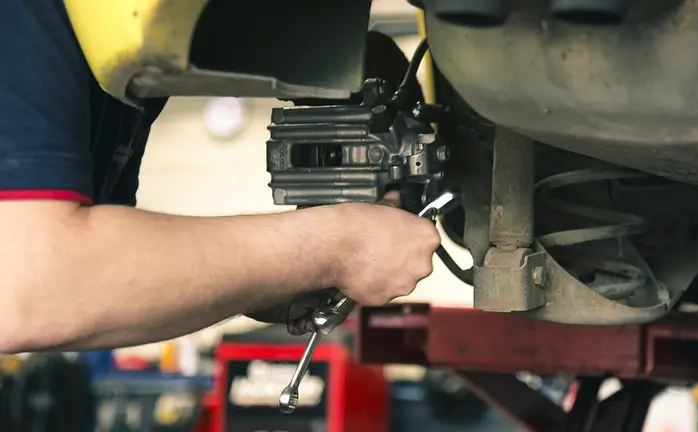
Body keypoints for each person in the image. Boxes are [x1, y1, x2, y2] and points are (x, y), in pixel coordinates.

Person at [0, 0, 441, 353]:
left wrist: (258, 281)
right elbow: (31, 290)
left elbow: (98, 291)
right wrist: (333, 247)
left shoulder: (117, 49)